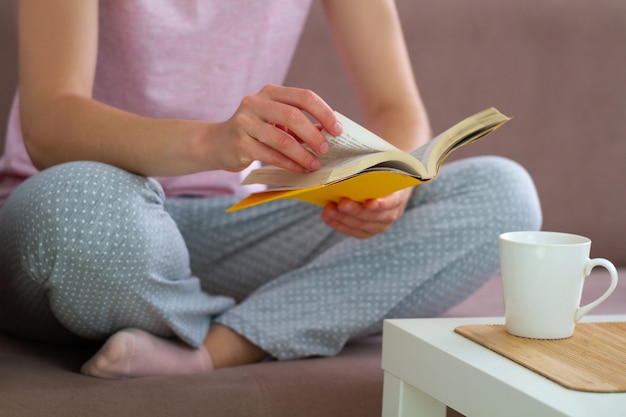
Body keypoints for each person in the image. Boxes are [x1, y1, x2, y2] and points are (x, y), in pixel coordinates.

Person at [0, 0, 541, 379]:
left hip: (232, 226)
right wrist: (214, 142)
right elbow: (49, 127)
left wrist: (389, 184)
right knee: (76, 211)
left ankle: (222, 346)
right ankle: (268, 316)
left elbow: (395, 108)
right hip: (91, 221)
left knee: (503, 195)